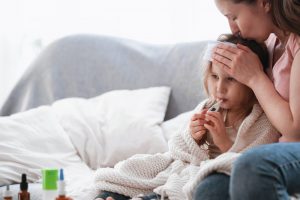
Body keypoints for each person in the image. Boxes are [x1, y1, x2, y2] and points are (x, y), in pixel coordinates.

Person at [94, 34, 279, 200]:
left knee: (182, 186)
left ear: (249, 81)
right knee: (135, 168)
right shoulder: (207, 107)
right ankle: (111, 195)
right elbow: (178, 150)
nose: (219, 88)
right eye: (215, 76)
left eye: (231, 79)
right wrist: (194, 138)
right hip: (184, 166)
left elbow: (246, 168)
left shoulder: (262, 122)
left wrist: (223, 142)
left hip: (207, 174)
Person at [193, 0, 300, 199]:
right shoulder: (268, 45)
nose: (233, 28)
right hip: (275, 151)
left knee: (252, 166)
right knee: (210, 188)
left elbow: (295, 128)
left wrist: (255, 77)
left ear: (264, 3)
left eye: (234, 17)